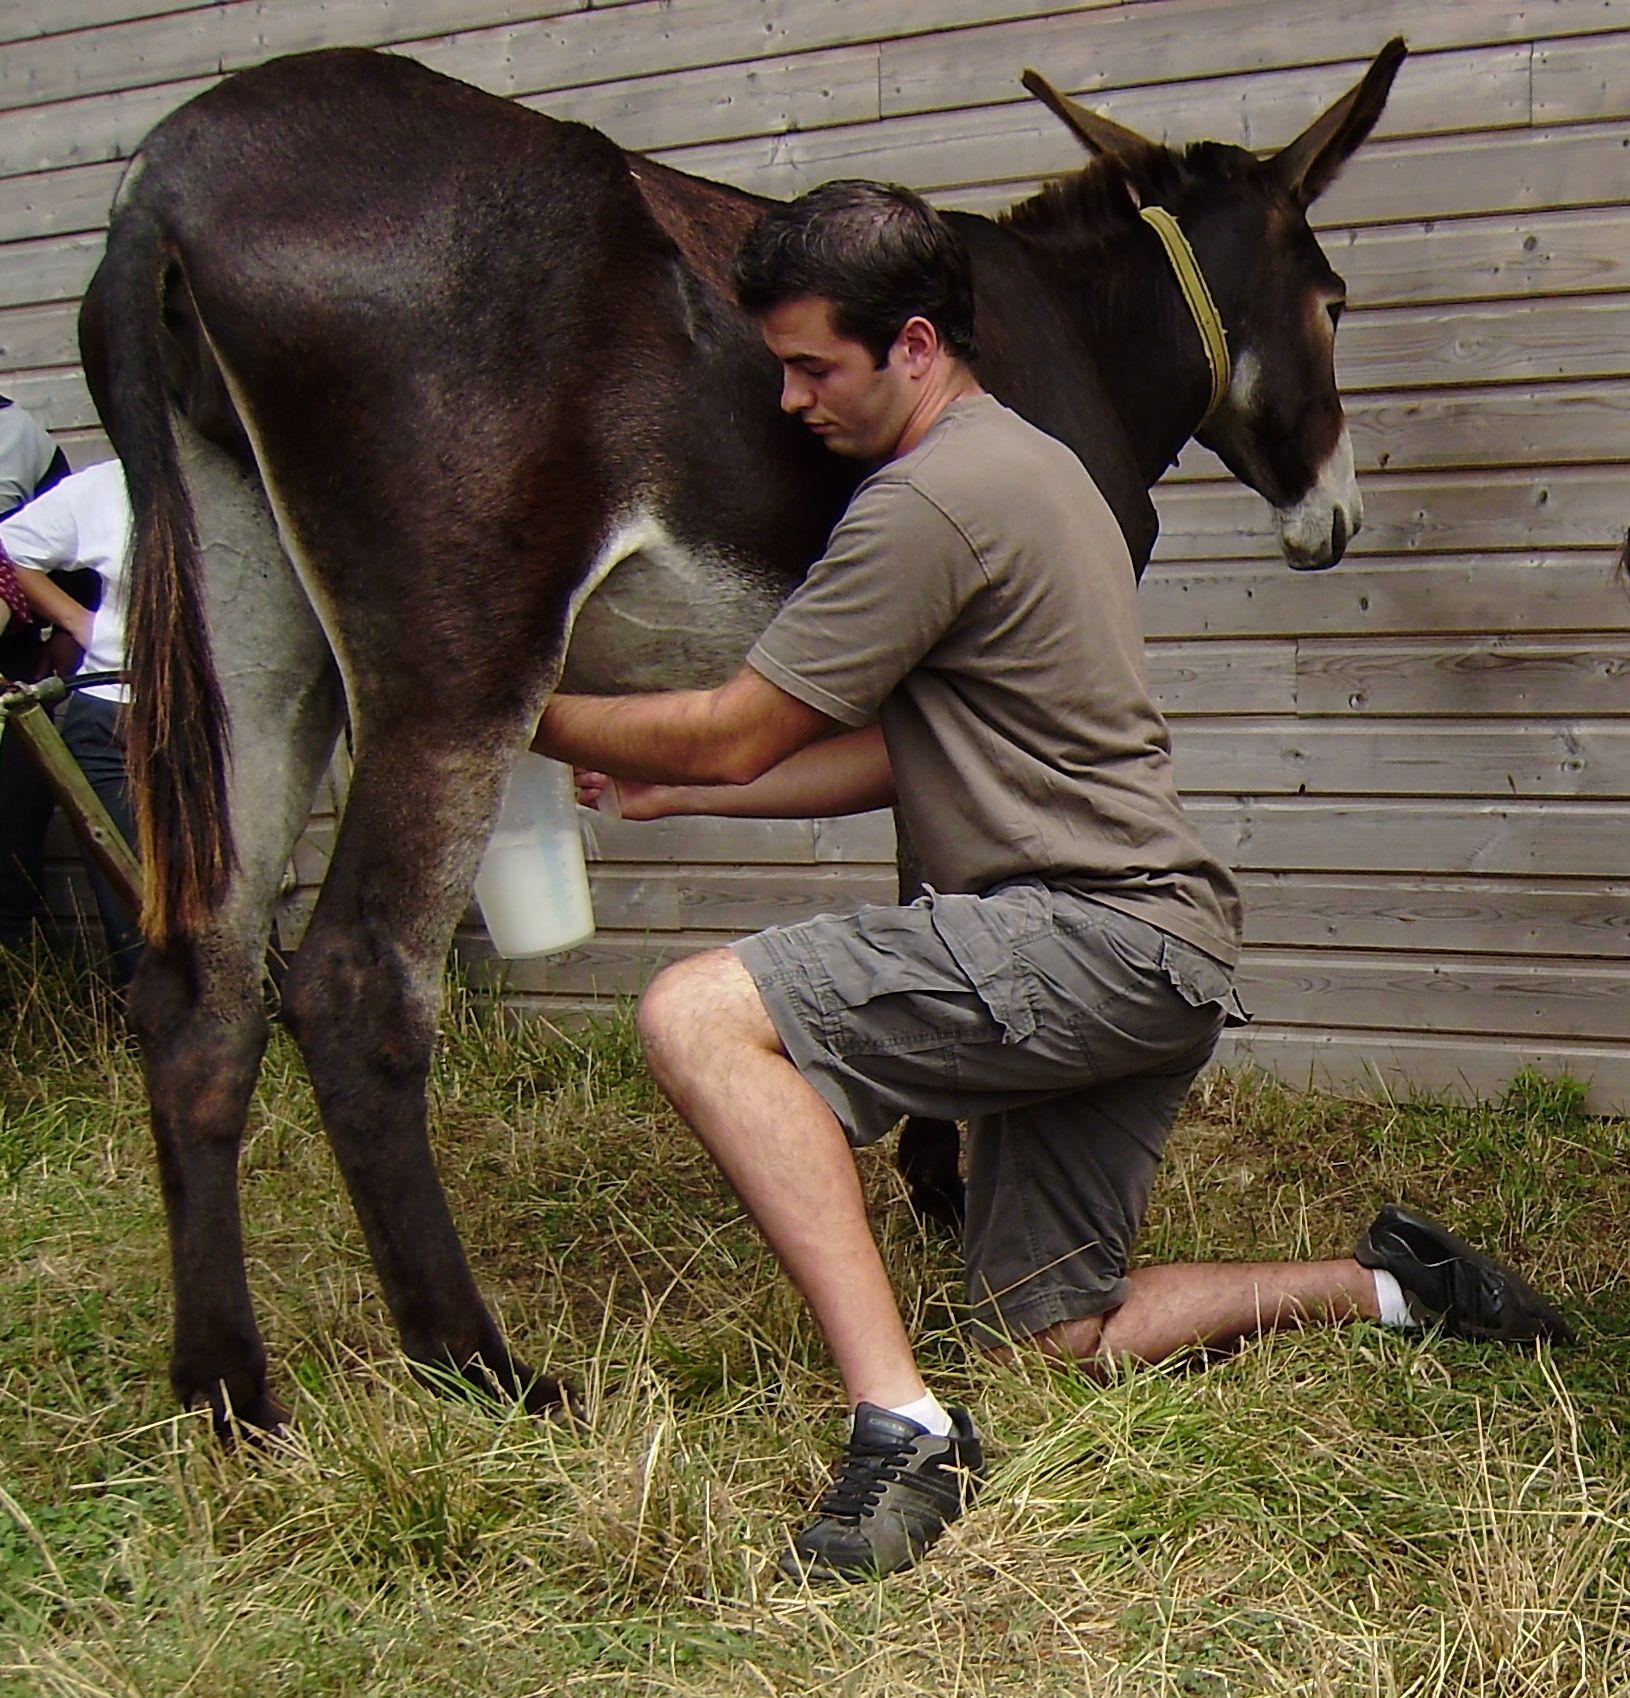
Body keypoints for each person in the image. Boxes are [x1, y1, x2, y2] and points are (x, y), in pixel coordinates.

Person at [533, 181, 1572, 1583]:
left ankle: (902, 1429)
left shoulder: (929, 499)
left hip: (1078, 937)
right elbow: (903, 751)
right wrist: (676, 789)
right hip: (1154, 948)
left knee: (698, 1015)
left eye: (807, 365)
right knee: (1053, 1337)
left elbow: (738, 716)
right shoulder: (1030, 467)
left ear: (911, 344)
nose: (786, 400)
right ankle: (1399, 1286)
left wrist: (505, 700)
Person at [0, 457, 140, 985]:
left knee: (223, 887)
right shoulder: (107, 484)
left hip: (227, 717)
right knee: (134, 909)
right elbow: (10, 548)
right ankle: (153, 1042)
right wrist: (80, 623)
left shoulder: (255, 479)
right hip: (111, 715)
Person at [0, 396, 79, 954]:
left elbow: (69, 540)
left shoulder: (15, 435)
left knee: (9, 841)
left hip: (10, 682)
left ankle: (22, 997)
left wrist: (70, 633)